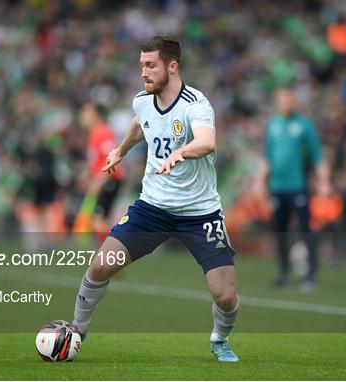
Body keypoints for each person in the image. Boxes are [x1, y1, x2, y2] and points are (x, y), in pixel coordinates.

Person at [71, 35, 240, 362]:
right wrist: (120, 150)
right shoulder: (142, 100)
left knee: (225, 295)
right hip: (153, 208)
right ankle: (77, 329)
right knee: (101, 266)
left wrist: (182, 152)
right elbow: (140, 125)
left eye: (150, 66)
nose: (143, 73)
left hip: (200, 214)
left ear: (172, 66)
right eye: (141, 66)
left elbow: (207, 142)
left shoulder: (196, 104)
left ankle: (220, 339)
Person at [254, 87, 330, 290]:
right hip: (277, 187)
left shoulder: (304, 125)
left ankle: (311, 275)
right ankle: (284, 274)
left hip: (298, 186)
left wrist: (323, 181)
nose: (285, 102)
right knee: (280, 230)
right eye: (282, 99)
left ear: (293, 100)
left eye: (288, 98)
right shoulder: (272, 125)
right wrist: (259, 182)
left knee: (306, 229)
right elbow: (267, 157)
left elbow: (317, 156)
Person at [75, 102, 125, 234]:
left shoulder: (102, 132)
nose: (82, 116)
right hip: (104, 181)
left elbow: (112, 159)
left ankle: (113, 248)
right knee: (97, 220)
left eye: (86, 112)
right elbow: (97, 161)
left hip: (109, 180)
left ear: (96, 115)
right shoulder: (94, 134)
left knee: (98, 220)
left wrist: (99, 181)